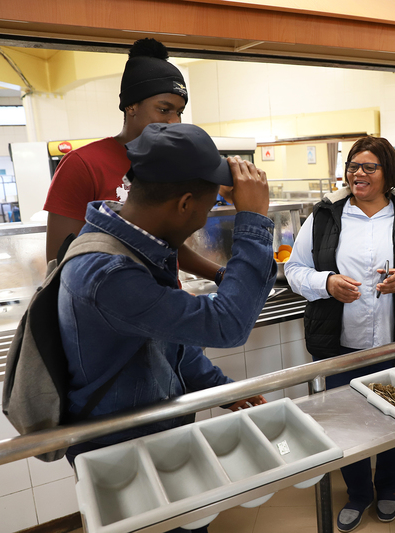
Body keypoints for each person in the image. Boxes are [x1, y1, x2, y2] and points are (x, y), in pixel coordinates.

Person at [60, 123, 276, 478]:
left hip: (156, 432)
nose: (205, 218)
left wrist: (221, 390)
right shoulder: (108, 273)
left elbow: (167, 340)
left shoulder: (135, 243)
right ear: (185, 204)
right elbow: (228, 324)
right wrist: (253, 221)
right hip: (120, 453)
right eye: (207, 209)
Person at [285, 136, 395, 532]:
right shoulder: (326, 216)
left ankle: (388, 488)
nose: (358, 173)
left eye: (369, 167)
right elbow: (294, 269)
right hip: (341, 345)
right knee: (349, 422)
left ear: (388, 173)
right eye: (353, 166)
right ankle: (358, 493)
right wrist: (326, 284)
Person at [43, 38, 224, 283]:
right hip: (115, 309)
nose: (174, 122)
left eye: (179, 112)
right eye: (164, 109)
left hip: (165, 305)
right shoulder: (82, 165)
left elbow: (165, 245)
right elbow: (60, 259)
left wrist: (220, 274)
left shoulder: (168, 163)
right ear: (131, 106)